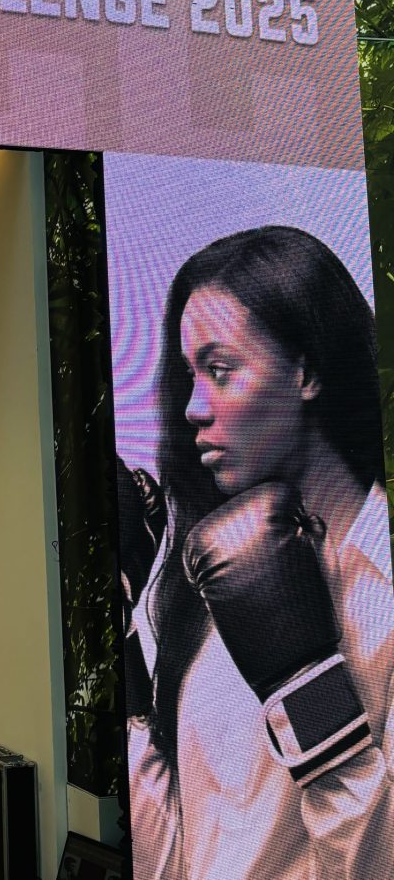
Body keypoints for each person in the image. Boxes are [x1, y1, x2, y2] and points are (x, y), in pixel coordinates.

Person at [122, 225, 394, 880]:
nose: (192, 408)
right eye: (190, 376)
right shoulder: (209, 577)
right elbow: (179, 856)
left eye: (220, 371)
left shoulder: (382, 592)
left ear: (306, 372)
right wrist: (128, 650)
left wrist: (310, 692)